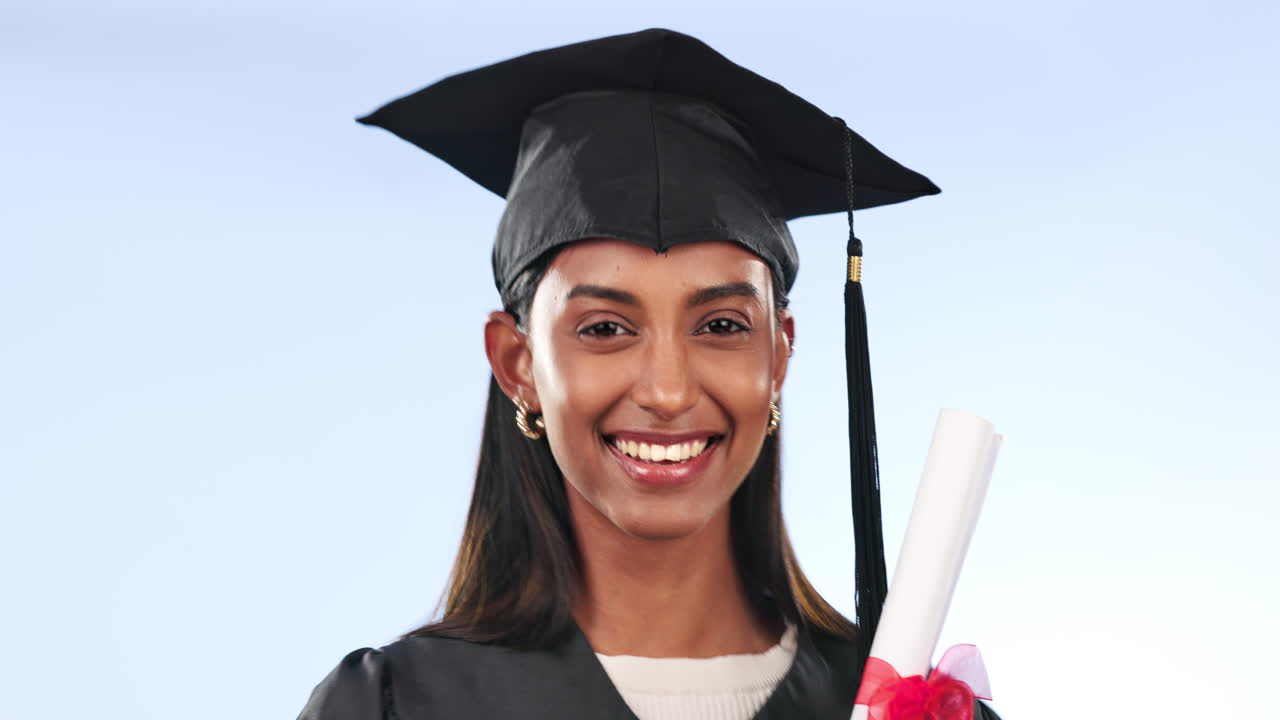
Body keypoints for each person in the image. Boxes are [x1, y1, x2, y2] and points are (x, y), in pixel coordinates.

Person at [298, 28, 1000, 720]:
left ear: (779, 356)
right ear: (518, 365)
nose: (667, 391)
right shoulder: (396, 707)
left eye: (722, 326)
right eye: (605, 329)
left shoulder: (909, 710)